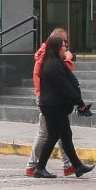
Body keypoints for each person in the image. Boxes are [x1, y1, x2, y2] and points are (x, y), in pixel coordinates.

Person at [30, 32, 94, 179]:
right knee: (53, 136)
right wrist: (80, 103)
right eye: (63, 46)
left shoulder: (55, 62)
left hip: (56, 106)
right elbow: (65, 87)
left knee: (66, 136)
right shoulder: (52, 65)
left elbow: (69, 82)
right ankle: (40, 167)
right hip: (54, 106)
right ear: (56, 48)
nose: (65, 48)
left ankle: (77, 166)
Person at [26, 27, 76, 177]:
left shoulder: (47, 53)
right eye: (64, 41)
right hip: (47, 98)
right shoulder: (48, 56)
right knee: (45, 133)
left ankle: (68, 164)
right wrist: (68, 59)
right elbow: (60, 73)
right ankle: (33, 165)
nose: (66, 45)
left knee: (60, 132)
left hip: (50, 97)